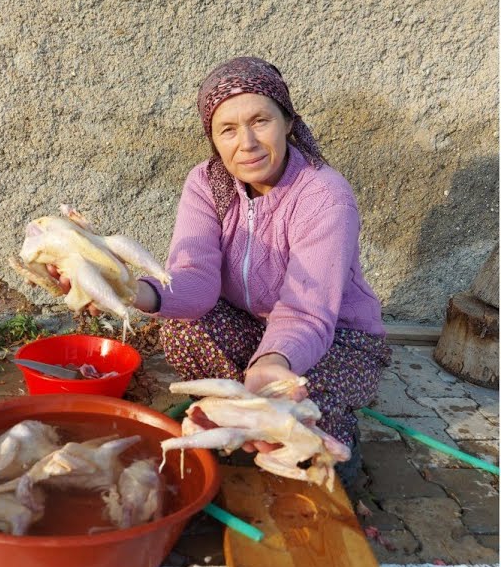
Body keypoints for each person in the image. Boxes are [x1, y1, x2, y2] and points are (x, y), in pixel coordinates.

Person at [59, 56, 389, 482]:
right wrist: (123, 290)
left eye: (260, 121)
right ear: (213, 138)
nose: (246, 143)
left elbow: (307, 311)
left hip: (335, 338)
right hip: (252, 327)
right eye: (227, 130)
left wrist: (270, 369)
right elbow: (194, 282)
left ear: (288, 121)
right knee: (182, 329)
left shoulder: (324, 195)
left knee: (307, 431)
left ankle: (287, 414)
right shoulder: (206, 184)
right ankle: (252, 411)